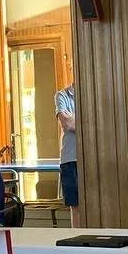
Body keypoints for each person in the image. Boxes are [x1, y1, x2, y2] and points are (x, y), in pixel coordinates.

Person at [55, 82, 78, 226]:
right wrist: (90, 121)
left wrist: (75, 119)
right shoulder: (62, 95)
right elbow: (67, 124)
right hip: (71, 159)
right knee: (76, 206)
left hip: (93, 161)